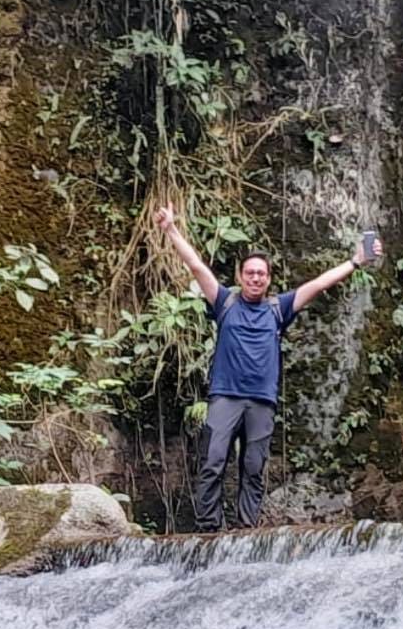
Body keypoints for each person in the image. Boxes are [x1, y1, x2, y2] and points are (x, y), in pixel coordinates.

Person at [153, 202, 383, 532]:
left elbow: (319, 284)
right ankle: (208, 530)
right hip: (226, 397)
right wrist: (171, 229)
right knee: (213, 462)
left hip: (261, 401)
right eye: (250, 273)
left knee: (253, 465)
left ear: (269, 278)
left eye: (261, 273)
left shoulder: (279, 309)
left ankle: (246, 530)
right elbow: (195, 265)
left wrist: (356, 261)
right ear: (239, 277)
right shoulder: (224, 303)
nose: (256, 278)